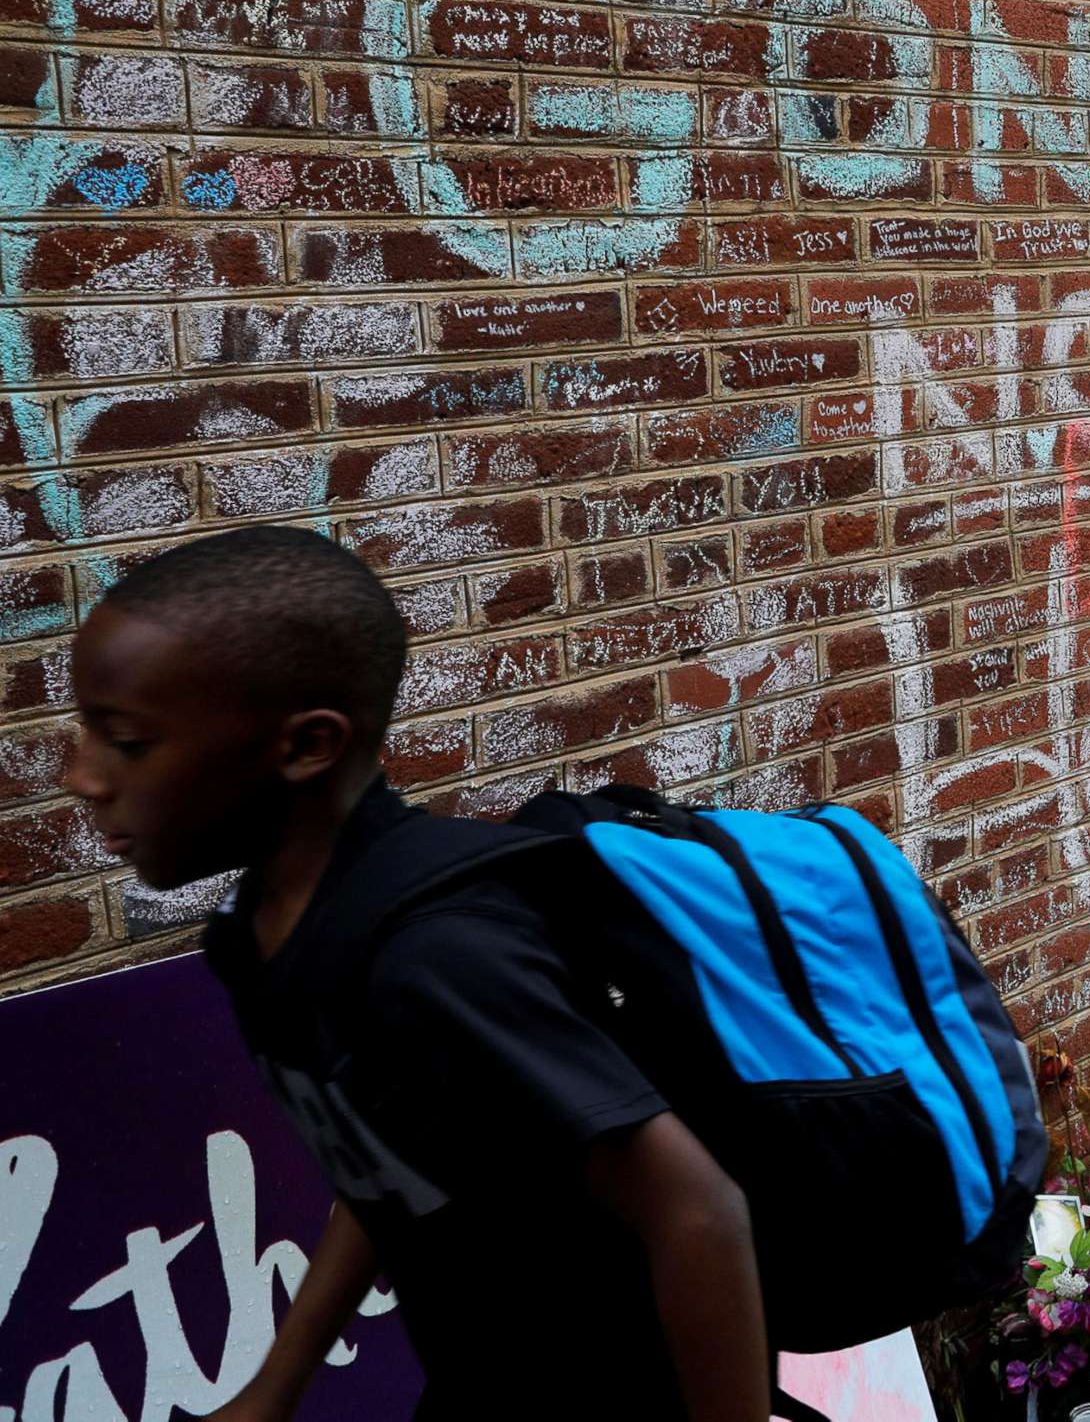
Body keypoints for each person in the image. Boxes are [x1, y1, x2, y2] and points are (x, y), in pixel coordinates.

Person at [62, 527, 771, 1421]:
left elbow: (699, 1211)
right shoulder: (262, 941)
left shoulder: (432, 958)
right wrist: (272, 1389)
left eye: (125, 741)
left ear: (307, 746)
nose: (79, 774)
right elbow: (396, 1164)